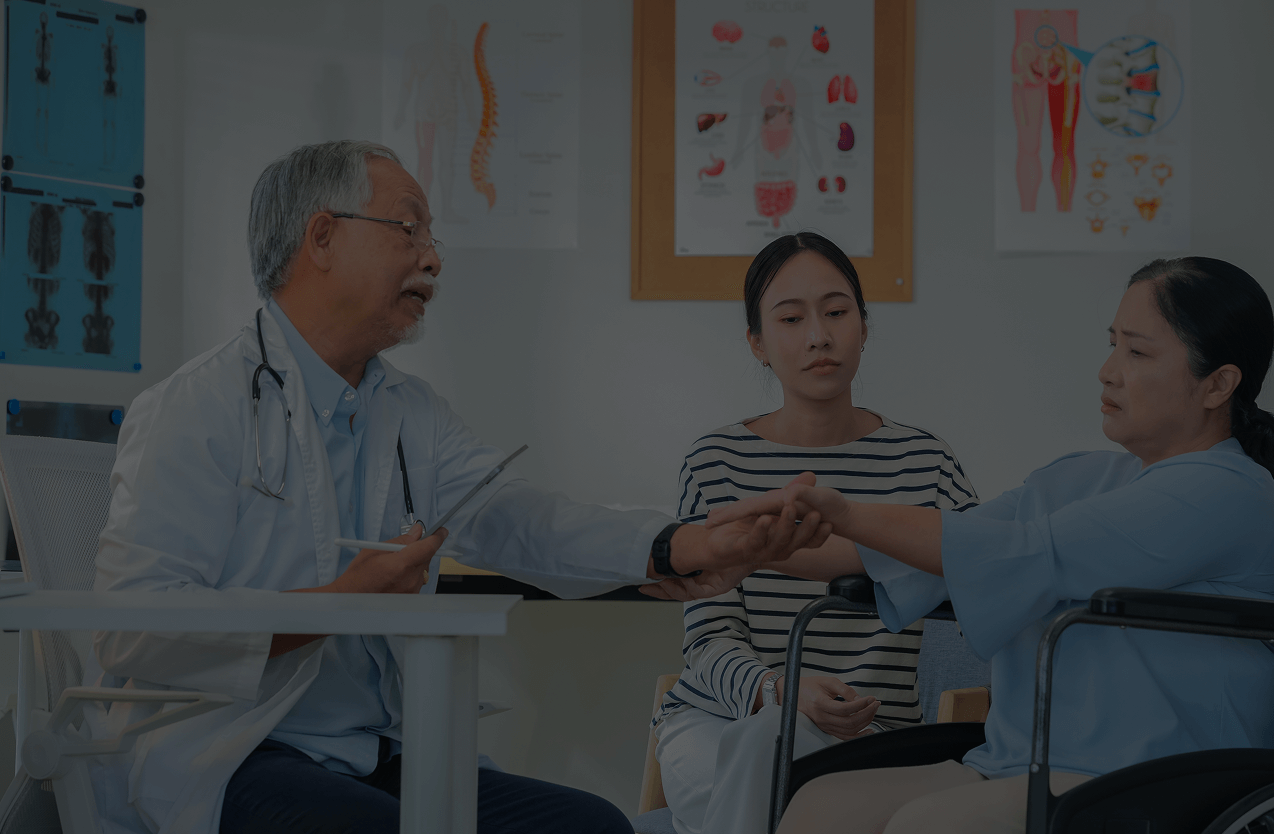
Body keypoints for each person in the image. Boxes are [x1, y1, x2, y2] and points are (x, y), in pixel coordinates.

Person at [84, 140, 828, 834]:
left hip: (384, 755)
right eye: (408, 230)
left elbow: (517, 519)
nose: (433, 259)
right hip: (237, 752)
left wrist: (683, 542)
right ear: (321, 239)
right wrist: (339, 606)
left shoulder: (408, 411)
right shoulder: (194, 409)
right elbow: (134, 627)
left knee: (592, 826)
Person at [709, 257, 1274, 833]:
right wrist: (732, 549)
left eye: (1137, 352)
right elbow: (905, 553)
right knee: (822, 807)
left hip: (1157, 777)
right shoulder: (1083, 478)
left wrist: (847, 511)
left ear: (1219, 383)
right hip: (1017, 765)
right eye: (1112, 343)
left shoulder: (1228, 492)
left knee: (928, 826)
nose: (1108, 370)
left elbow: (1024, 552)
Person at [651, 233, 983, 833]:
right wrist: (779, 690)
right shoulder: (716, 461)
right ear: (757, 342)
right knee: (757, 754)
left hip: (871, 733)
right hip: (721, 718)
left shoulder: (924, 461)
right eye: (790, 318)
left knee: (769, 780)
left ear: (863, 325)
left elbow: (986, 580)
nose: (818, 336)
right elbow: (708, 633)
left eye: (836, 312)